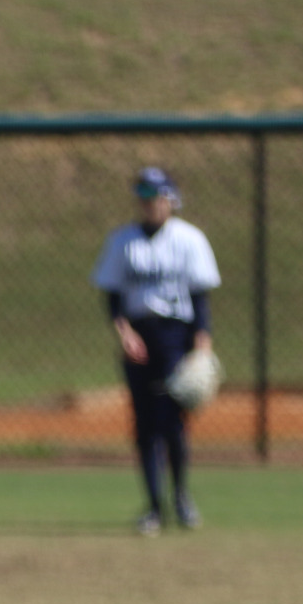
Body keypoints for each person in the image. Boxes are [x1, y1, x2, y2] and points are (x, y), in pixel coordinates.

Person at [90, 166, 220, 535]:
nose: (150, 206)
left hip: (175, 336)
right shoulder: (122, 241)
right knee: (145, 424)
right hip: (139, 336)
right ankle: (153, 506)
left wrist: (202, 345)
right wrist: (124, 333)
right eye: (144, 199)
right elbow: (113, 296)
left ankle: (181, 497)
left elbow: (200, 297)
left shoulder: (189, 239)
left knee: (173, 423)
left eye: (157, 198)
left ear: (171, 201)